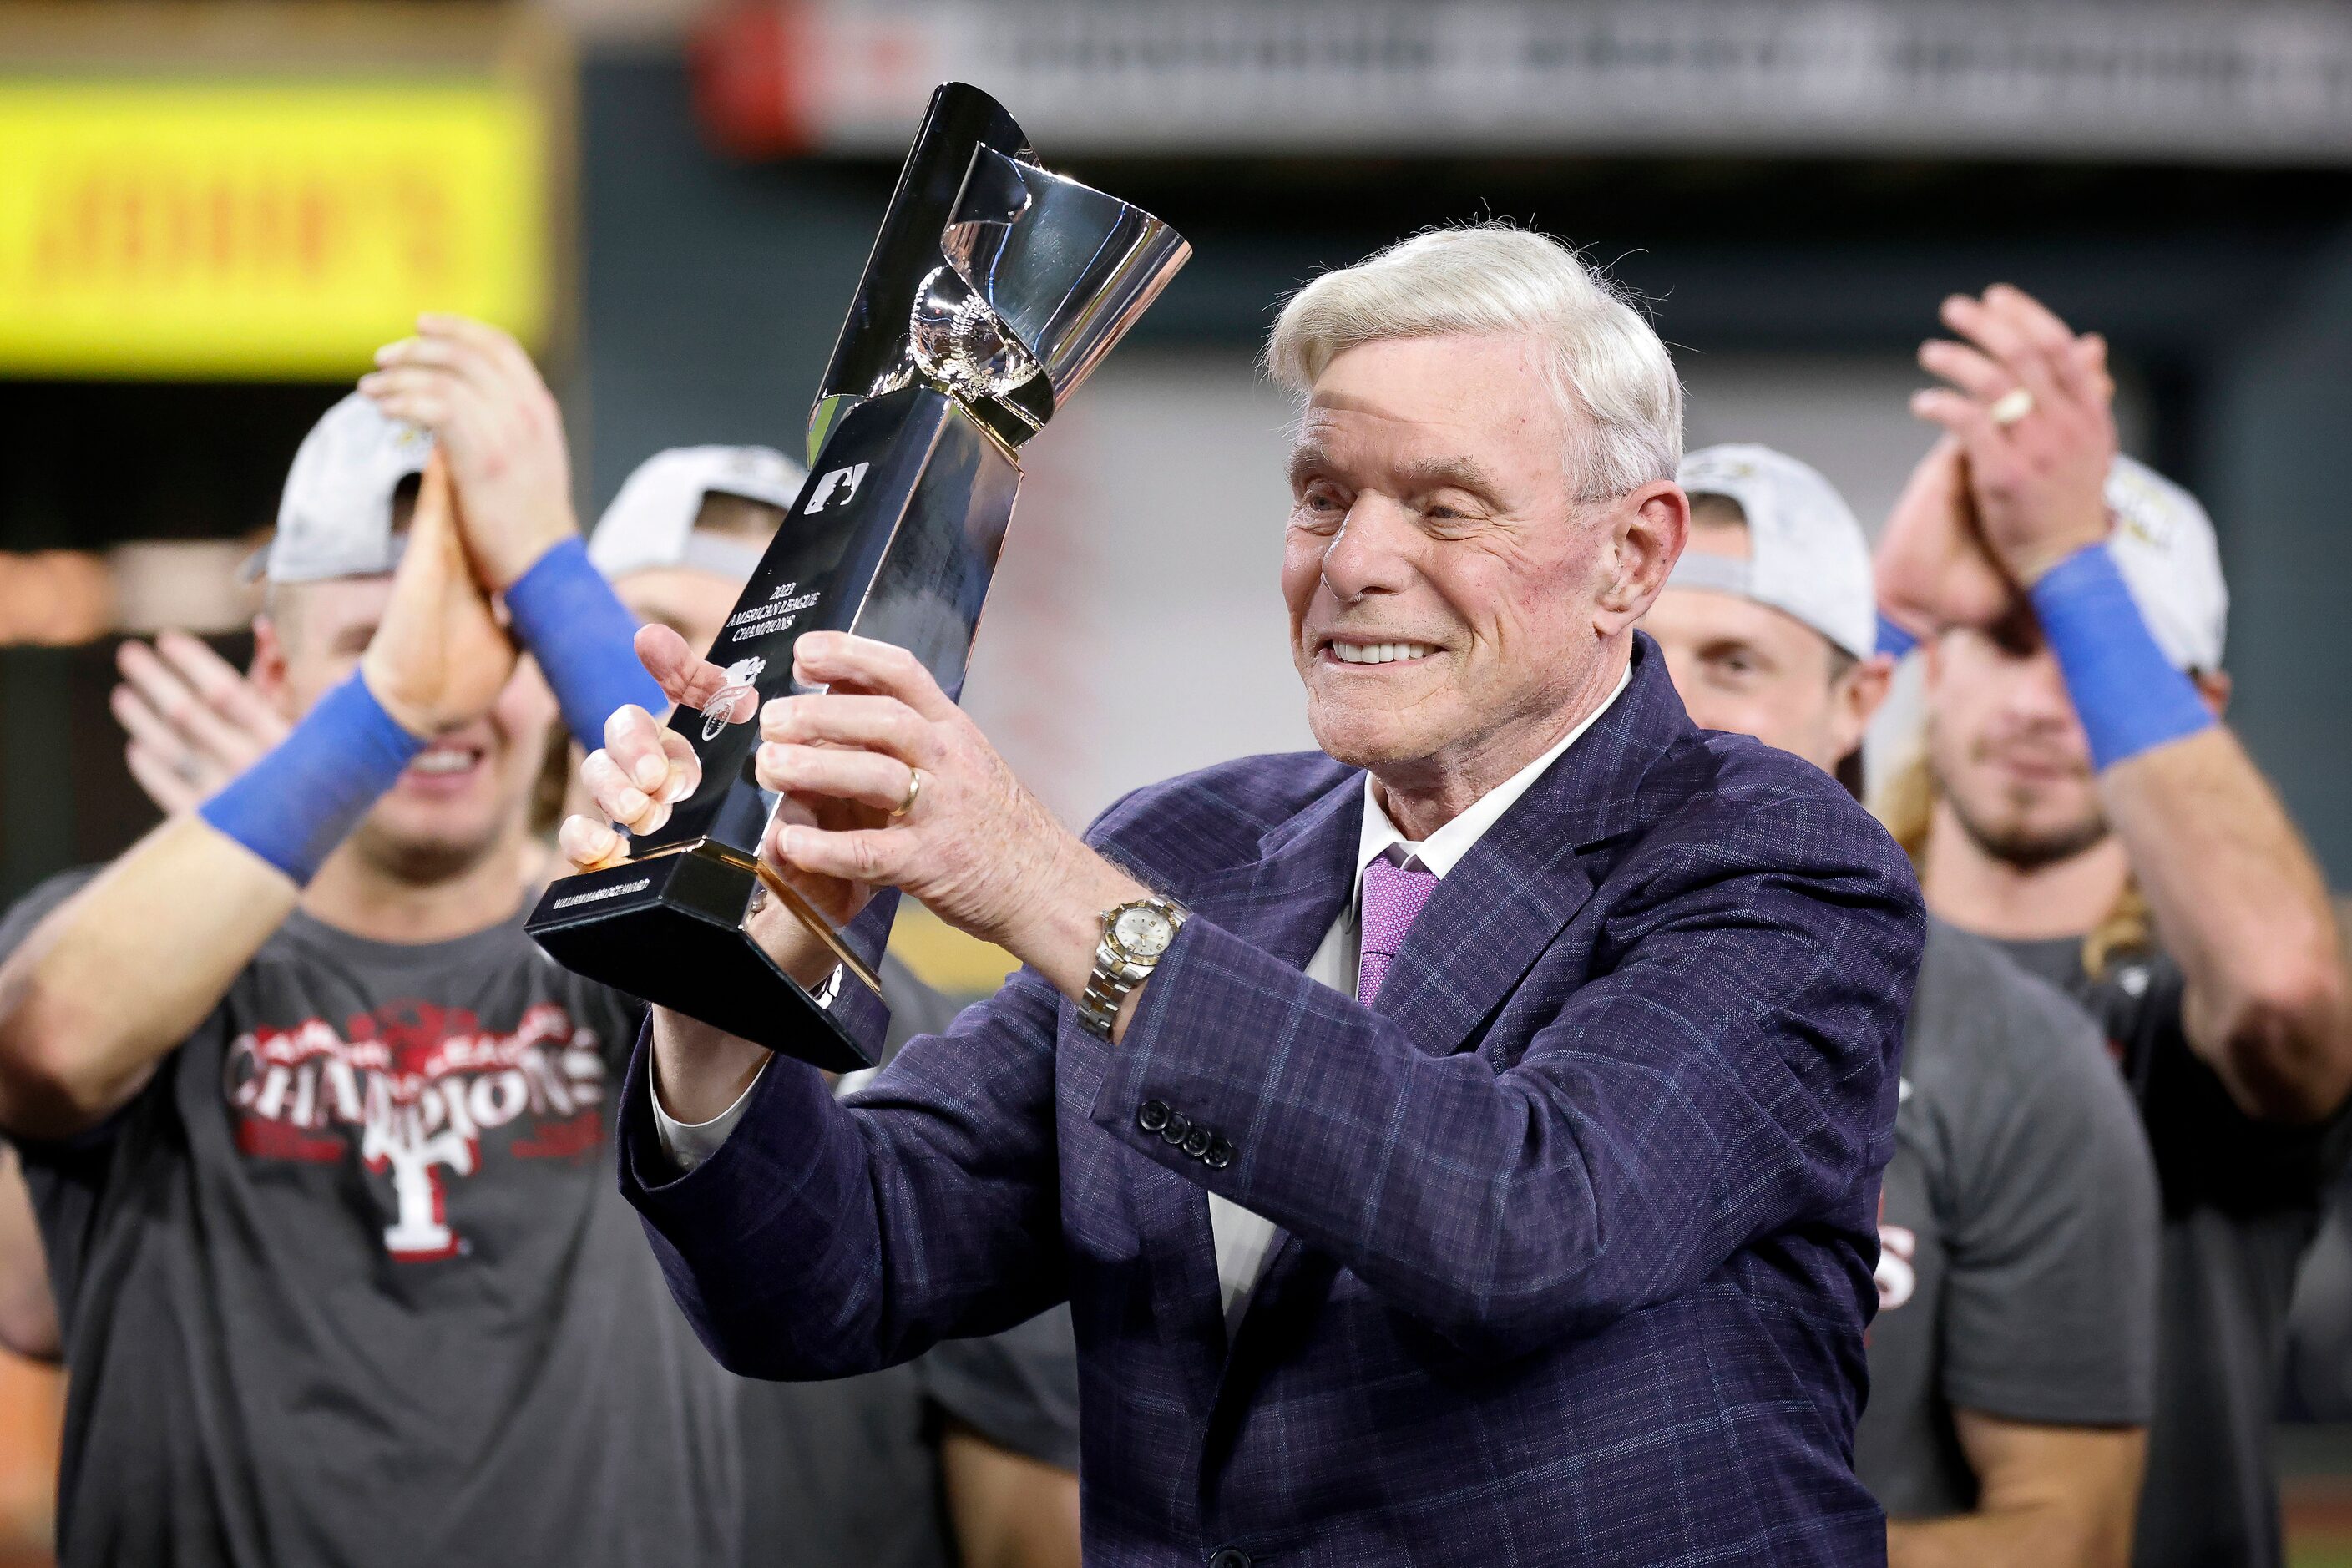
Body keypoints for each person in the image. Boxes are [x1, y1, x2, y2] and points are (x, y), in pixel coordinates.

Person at [565, 224, 1925, 1564]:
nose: (1352, 562)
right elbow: (839, 1273)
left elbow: (1525, 1221)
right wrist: (721, 978)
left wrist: (1034, 880)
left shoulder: (1776, 858)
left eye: (1445, 507)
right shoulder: (1189, 846)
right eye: (1323, 496)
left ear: (1631, 556)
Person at [78, 438, 1087, 1568]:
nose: (711, 701)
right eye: (658, 644)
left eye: (768, 676)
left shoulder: (922, 1038)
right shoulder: (511, 959)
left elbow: (1030, 1505)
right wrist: (288, 822)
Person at [0, 319, 741, 1568]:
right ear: (277, 671)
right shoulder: (114, 935)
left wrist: (549, 563)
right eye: (371, 645)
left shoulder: (630, 941)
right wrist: (389, 705)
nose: (449, 691)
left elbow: (745, 891)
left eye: (488, 643)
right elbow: (50, 1048)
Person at [1874, 283, 2352, 1568]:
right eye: (2005, 638)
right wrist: (1891, 609)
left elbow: (2286, 994)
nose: (2042, 700)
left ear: (2191, 701)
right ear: (1935, 665)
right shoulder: (1825, 958)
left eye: (2093, 652)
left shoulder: (2184, 1007)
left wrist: (2067, 566)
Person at [1643, 443, 2160, 1565]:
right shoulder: (1442, 960)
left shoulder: (2014, 1055)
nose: (1667, 707)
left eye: (1732, 660)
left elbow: (2067, 1531)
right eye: (1632, 656)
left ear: (1859, 698)